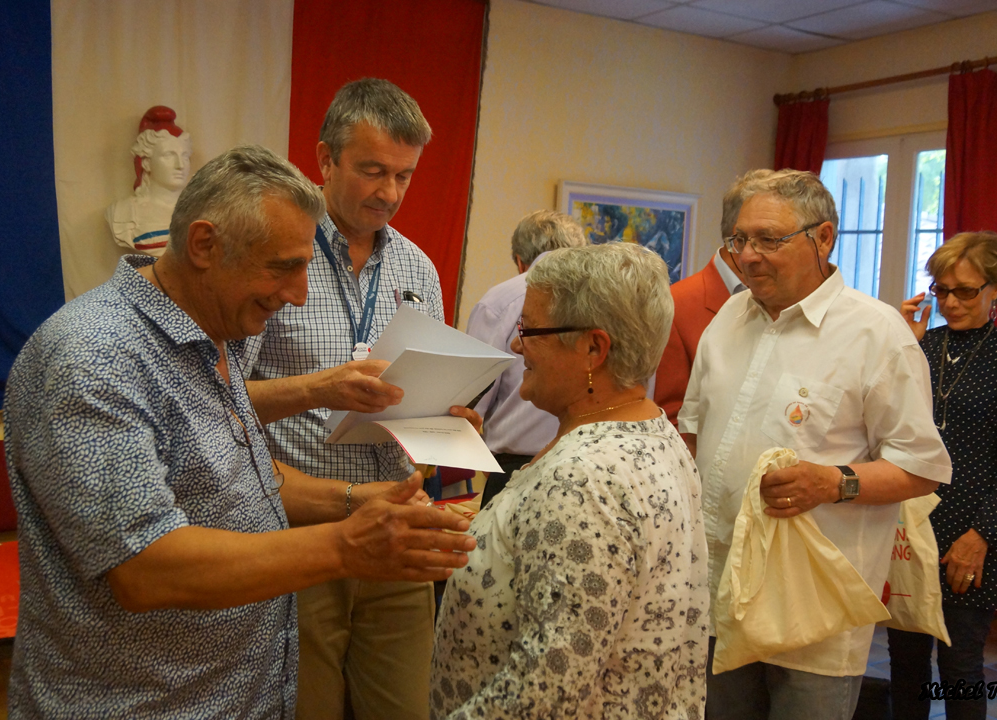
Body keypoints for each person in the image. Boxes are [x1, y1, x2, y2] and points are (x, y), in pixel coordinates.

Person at [3, 145, 475, 719]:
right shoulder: (94, 358)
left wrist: (354, 500)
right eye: (283, 267)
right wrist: (346, 545)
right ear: (204, 244)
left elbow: (239, 480)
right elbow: (145, 569)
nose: (300, 293)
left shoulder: (223, 333)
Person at [677, 169, 952, 720]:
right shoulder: (729, 319)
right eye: (739, 240)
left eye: (769, 240)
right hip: (717, 594)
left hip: (813, 613)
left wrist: (833, 481)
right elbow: (692, 434)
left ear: (823, 238)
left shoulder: (878, 335)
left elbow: (922, 469)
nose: (749, 256)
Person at [431, 243, 709, 719]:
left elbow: (544, 694)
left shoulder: (581, 480)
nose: (517, 346)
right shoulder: (653, 431)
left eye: (529, 330)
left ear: (593, 348)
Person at [244, 78, 444, 720]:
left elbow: (417, 400)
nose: (389, 192)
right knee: (308, 710)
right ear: (326, 160)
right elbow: (217, 400)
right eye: (372, 170)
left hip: (395, 528)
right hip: (298, 531)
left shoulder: (419, 269)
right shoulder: (277, 256)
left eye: (404, 175)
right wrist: (321, 387)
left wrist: (446, 418)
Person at [887, 232, 997, 720]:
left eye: (966, 291)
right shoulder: (919, 348)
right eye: (942, 290)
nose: (951, 302)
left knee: (960, 667)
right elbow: (886, 429)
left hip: (975, 529)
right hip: (910, 524)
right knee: (905, 663)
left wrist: (981, 536)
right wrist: (902, 348)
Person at [466, 209, 587, 508]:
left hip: (514, 470)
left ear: (521, 262)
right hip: (590, 465)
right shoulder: (607, 298)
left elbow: (468, 402)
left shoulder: (502, 301)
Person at [654, 170, 762, 426]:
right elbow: (672, 418)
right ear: (740, 236)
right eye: (769, 237)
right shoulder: (677, 304)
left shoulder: (781, 301)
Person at [106, 106, 193, 256]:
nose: (180, 165)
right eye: (168, 155)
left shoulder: (203, 211)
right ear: (146, 163)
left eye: (185, 156)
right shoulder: (123, 213)